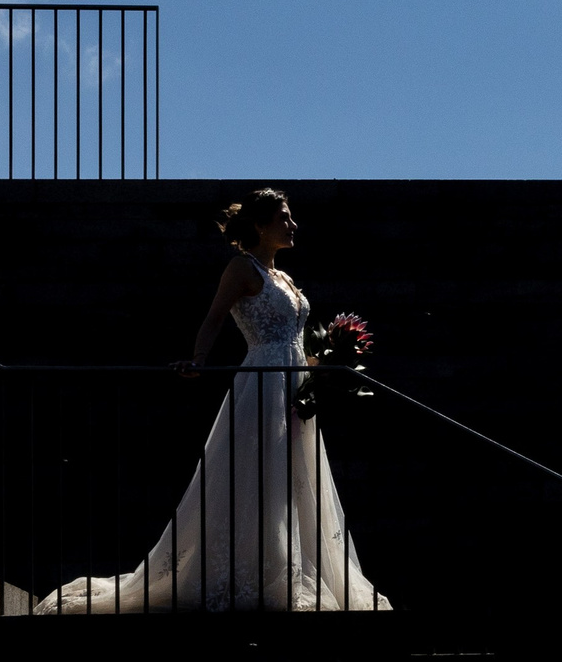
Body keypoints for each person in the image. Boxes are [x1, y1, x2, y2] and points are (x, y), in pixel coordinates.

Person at [35, 188, 389, 613]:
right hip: (262, 385)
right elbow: (215, 316)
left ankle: (290, 570)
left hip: (295, 389)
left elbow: (295, 343)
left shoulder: (285, 278)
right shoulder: (242, 268)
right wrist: (199, 359)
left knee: (295, 480)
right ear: (260, 224)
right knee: (259, 476)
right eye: (284, 217)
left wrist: (331, 362)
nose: (292, 225)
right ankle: (257, 574)